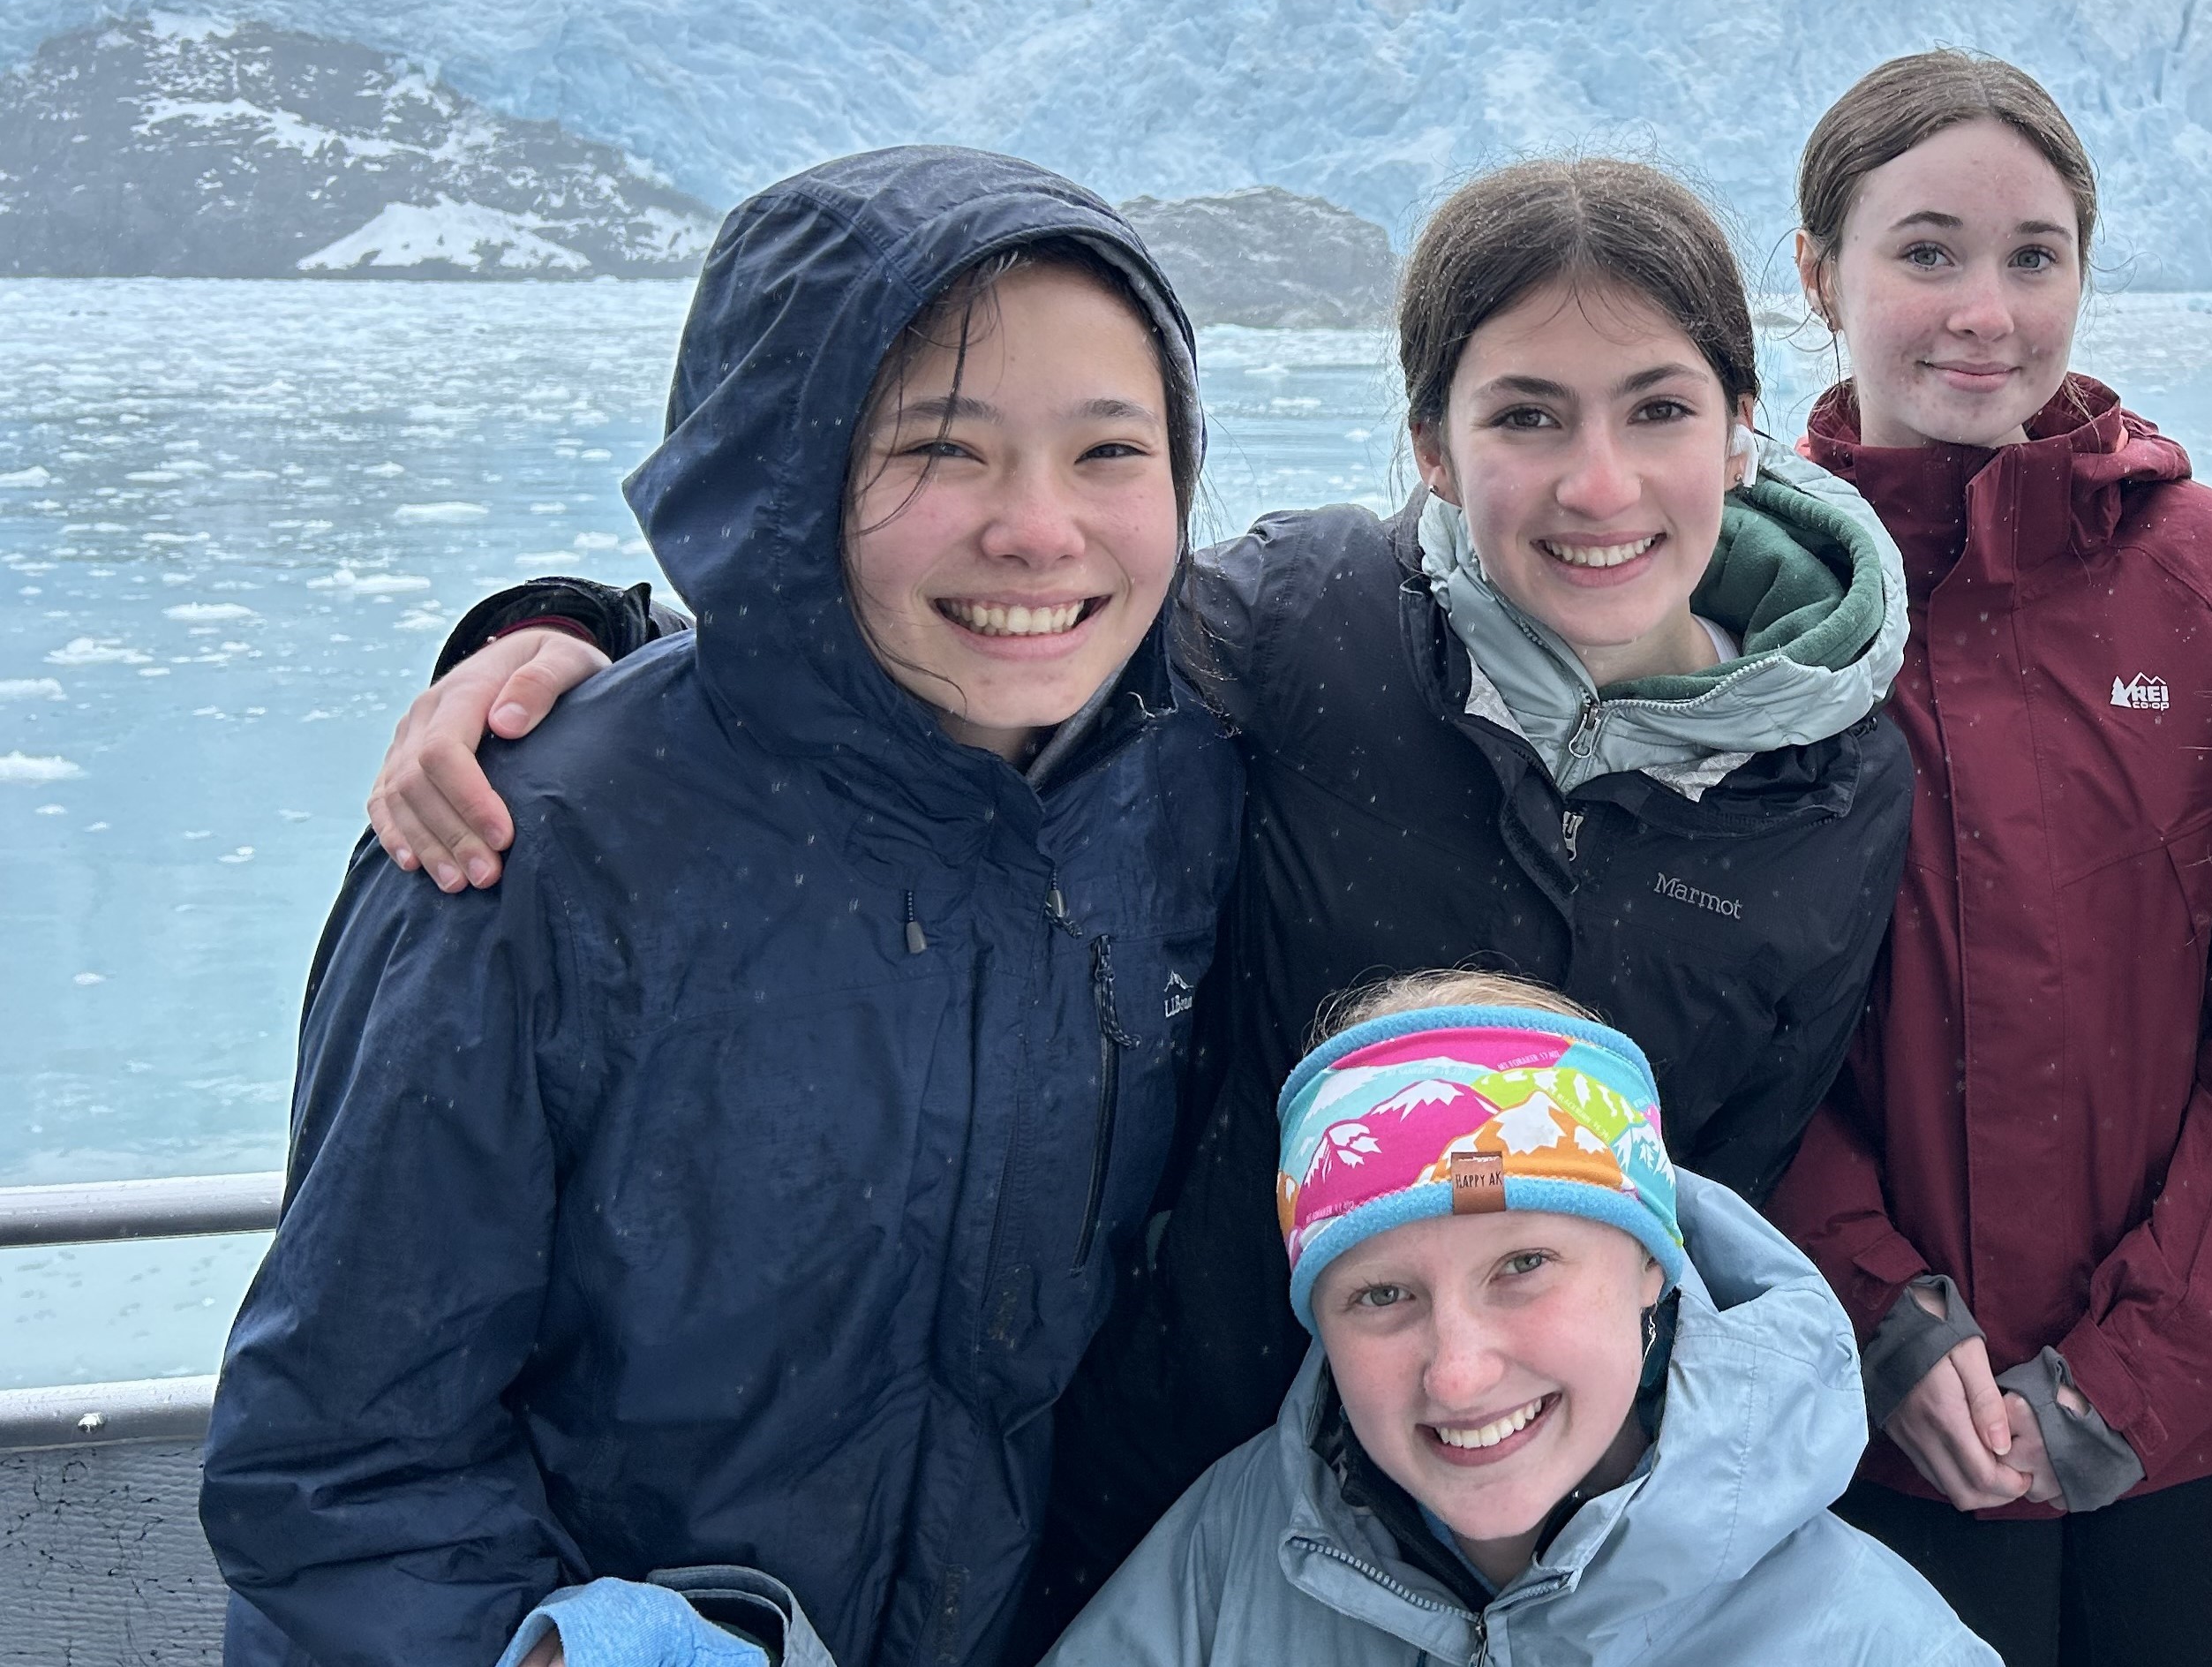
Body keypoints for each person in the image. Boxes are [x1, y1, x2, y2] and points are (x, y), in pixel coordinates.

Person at [354, 155, 1917, 1641]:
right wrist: (582, 635)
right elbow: (988, 640)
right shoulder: (1316, 635)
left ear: (1743, 425)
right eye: (1525, 414)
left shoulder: (1835, 788)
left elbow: (1721, 1184)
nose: (1600, 482)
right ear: (1432, 447)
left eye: (1659, 409)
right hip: (1169, 1492)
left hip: (1538, 1506)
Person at [199, 147, 1244, 1667]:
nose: (1038, 529)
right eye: (942, 451)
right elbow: (341, 1452)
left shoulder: (1175, 793)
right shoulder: (536, 846)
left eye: (1109, 452)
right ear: (782, 467)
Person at [1762, 50, 2212, 1667]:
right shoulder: (1745, 601)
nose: (1986, 310)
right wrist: (1882, 1315)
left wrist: (2130, 1374)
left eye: (2034, 256)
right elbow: (1728, 1018)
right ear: (1820, 272)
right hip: (1879, 1421)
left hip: (2209, 1419)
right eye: (1927, 250)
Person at [1042, 969, 1996, 1667]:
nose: (1456, 1372)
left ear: (1648, 1272)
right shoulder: (1224, 1557)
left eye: (1523, 1266)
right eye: (1381, 1294)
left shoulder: (1867, 1640)